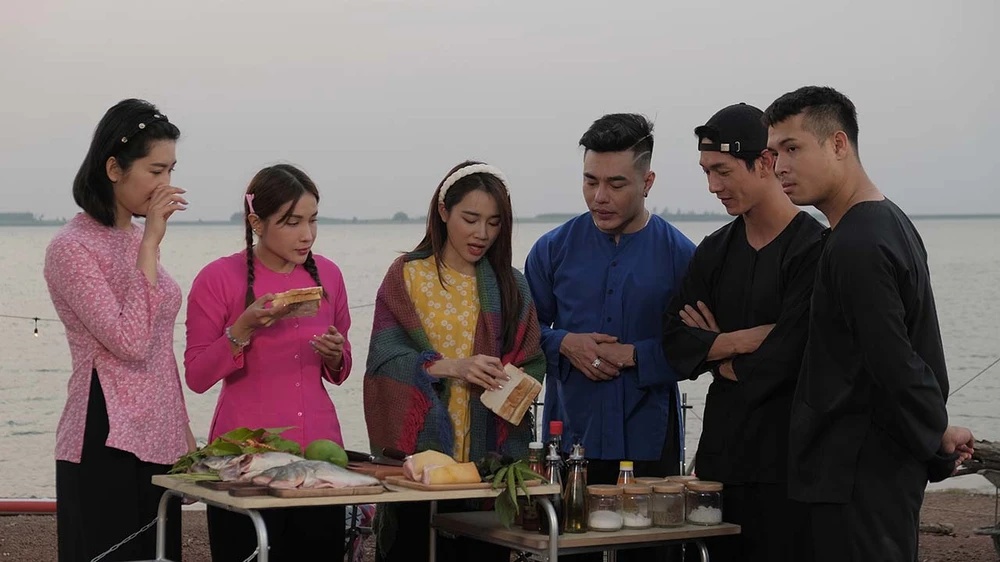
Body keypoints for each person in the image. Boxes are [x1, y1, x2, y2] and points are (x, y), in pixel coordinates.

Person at [763, 86, 975, 561]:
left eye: (792, 148)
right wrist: (936, 430)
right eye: (774, 153)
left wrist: (936, 438)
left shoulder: (857, 243)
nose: (779, 167)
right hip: (868, 470)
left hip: (859, 475)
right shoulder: (886, 221)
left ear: (838, 144)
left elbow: (894, 363)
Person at [524, 113, 695, 561]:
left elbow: (697, 349)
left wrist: (636, 355)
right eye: (590, 181)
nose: (599, 197)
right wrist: (564, 342)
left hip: (650, 442)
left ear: (647, 182)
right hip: (569, 441)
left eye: (616, 184)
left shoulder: (683, 257)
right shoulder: (550, 250)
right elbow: (522, 336)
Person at [662, 102, 824, 561]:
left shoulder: (815, 249)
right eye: (706, 172)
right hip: (723, 458)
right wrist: (738, 343)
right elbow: (674, 342)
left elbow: (798, 353)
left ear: (765, 162)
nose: (713, 186)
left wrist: (713, 353)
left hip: (791, 461)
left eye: (723, 171)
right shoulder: (714, 251)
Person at [364, 160, 546, 562]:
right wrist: (452, 366)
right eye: (471, 219)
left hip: (485, 467)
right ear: (444, 211)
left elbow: (532, 361)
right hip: (419, 463)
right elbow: (383, 360)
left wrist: (510, 383)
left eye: (494, 223)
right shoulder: (408, 276)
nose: (482, 234)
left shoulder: (511, 285)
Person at [44, 98, 190, 561]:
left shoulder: (137, 240)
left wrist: (184, 431)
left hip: (158, 431)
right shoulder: (72, 248)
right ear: (113, 168)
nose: (166, 184)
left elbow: (160, 349)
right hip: (106, 432)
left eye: (171, 170)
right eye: (155, 170)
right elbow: (129, 343)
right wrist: (150, 243)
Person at [184, 164, 350, 561]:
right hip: (246, 458)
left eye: (312, 220)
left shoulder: (329, 275)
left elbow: (341, 369)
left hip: (319, 457)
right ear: (256, 222)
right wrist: (243, 327)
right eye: (292, 222)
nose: (307, 234)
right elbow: (197, 376)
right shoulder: (217, 278)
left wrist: (336, 355)